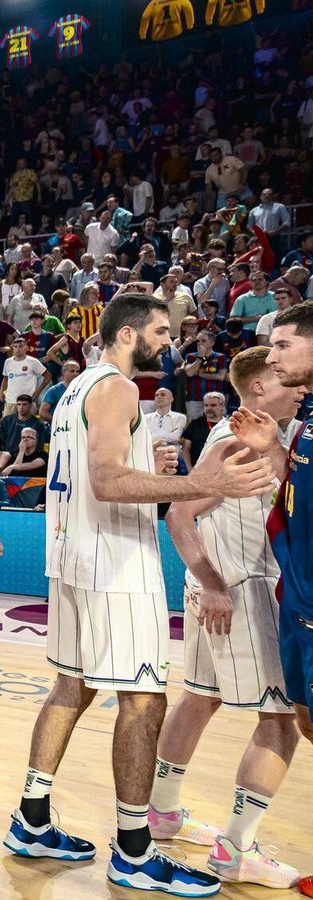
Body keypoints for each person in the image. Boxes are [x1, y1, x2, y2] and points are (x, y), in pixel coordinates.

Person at [6, 293, 274, 896]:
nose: (168, 341)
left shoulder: (74, 389)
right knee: (145, 701)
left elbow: (99, 471)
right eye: (159, 330)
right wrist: (205, 482)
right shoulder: (120, 389)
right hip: (116, 567)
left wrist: (149, 468)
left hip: (71, 559)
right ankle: (133, 850)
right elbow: (104, 481)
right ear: (128, 334)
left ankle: (32, 818)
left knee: (71, 687)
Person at [151, 348, 305, 889]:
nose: (299, 386)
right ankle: (237, 848)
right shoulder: (240, 440)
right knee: (281, 718)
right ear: (260, 386)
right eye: (286, 378)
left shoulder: (258, 435)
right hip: (239, 590)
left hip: (219, 587)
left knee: (199, 696)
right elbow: (180, 513)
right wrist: (214, 584)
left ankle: (163, 811)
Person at [236, 301, 313, 897]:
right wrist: (273, 449)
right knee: (305, 723)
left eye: (284, 344)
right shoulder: (305, 417)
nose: (274, 354)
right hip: (298, 598)